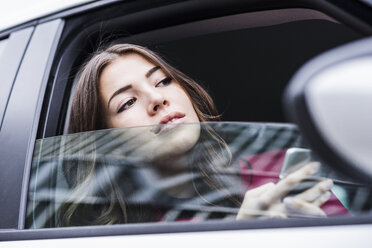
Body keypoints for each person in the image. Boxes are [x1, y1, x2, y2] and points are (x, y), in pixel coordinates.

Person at [62, 43, 340, 226]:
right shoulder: (112, 238)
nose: (157, 98)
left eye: (163, 80)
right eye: (127, 103)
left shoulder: (277, 172)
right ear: (106, 142)